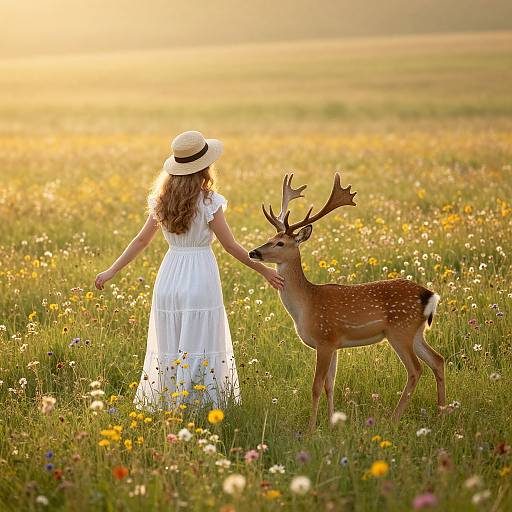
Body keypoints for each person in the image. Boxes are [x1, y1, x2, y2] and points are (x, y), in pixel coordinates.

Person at [94, 130, 284, 411]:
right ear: (204, 167)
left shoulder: (162, 201)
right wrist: (264, 271)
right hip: (199, 275)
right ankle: (199, 407)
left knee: (171, 345)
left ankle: (171, 404)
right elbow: (230, 246)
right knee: (201, 343)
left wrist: (111, 271)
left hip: (169, 276)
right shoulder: (209, 202)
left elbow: (141, 240)